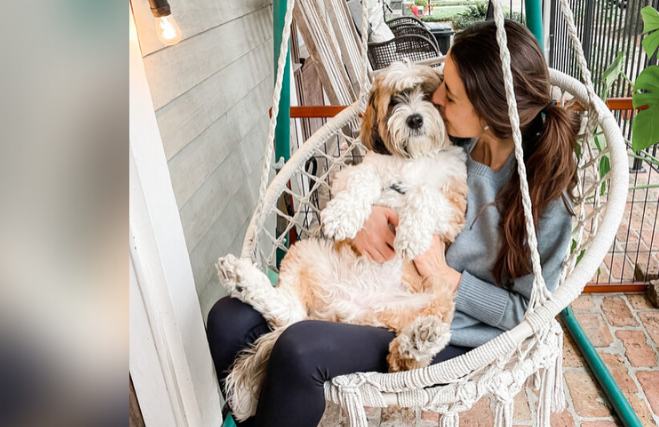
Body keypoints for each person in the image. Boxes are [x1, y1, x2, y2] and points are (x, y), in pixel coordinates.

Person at [206, 20, 578, 427]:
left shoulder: (545, 197)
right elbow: (379, 176)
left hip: (438, 330)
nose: (436, 98)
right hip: (371, 279)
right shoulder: (454, 136)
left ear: (488, 112)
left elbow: (531, 311)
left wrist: (445, 276)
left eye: (449, 95)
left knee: (299, 349)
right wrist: (363, 219)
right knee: (227, 320)